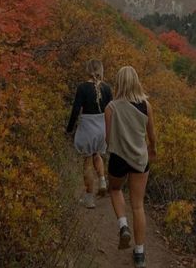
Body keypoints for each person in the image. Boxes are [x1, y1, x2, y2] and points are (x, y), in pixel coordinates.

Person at [105, 66, 156, 268]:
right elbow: (152, 135)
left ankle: (123, 225)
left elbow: (108, 138)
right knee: (138, 206)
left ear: (118, 82)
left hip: (118, 157)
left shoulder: (111, 107)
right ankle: (140, 254)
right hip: (139, 158)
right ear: (136, 81)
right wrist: (153, 149)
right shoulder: (146, 105)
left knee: (115, 189)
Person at [66, 59, 113, 209]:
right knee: (97, 154)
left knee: (87, 160)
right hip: (102, 128)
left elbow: (75, 110)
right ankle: (103, 180)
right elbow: (111, 110)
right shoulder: (107, 88)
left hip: (88, 127)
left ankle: (89, 199)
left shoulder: (82, 88)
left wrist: (69, 129)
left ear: (88, 70)